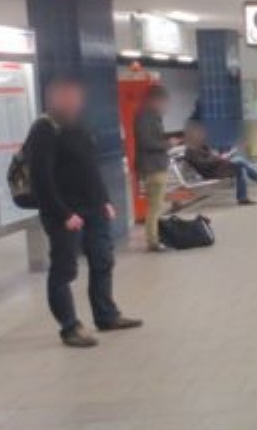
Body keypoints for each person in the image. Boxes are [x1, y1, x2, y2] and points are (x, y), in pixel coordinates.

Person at [25, 74, 142, 348]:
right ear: (53, 97)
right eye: (66, 95)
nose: (73, 100)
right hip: (65, 214)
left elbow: (91, 167)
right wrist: (64, 214)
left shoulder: (80, 125)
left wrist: (105, 200)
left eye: (76, 95)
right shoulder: (44, 129)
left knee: (103, 261)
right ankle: (70, 328)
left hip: (94, 210)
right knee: (64, 271)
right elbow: (42, 180)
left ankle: (106, 316)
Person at [182, 122, 257, 205]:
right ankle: (253, 184)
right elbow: (203, 164)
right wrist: (218, 159)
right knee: (239, 164)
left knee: (239, 161)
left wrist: (219, 157)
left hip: (217, 167)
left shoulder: (200, 145)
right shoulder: (191, 150)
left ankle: (249, 190)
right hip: (211, 171)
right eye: (199, 134)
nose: (202, 135)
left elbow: (210, 157)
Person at [134, 84, 171, 252]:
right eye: (163, 102)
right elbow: (146, 142)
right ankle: (153, 241)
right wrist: (167, 144)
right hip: (153, 167)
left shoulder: (152, 117)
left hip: (156, 165)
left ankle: (155, 237)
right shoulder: (145, 117)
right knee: (155, 206)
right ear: (155, 100)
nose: (165, 106)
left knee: (156, 205)